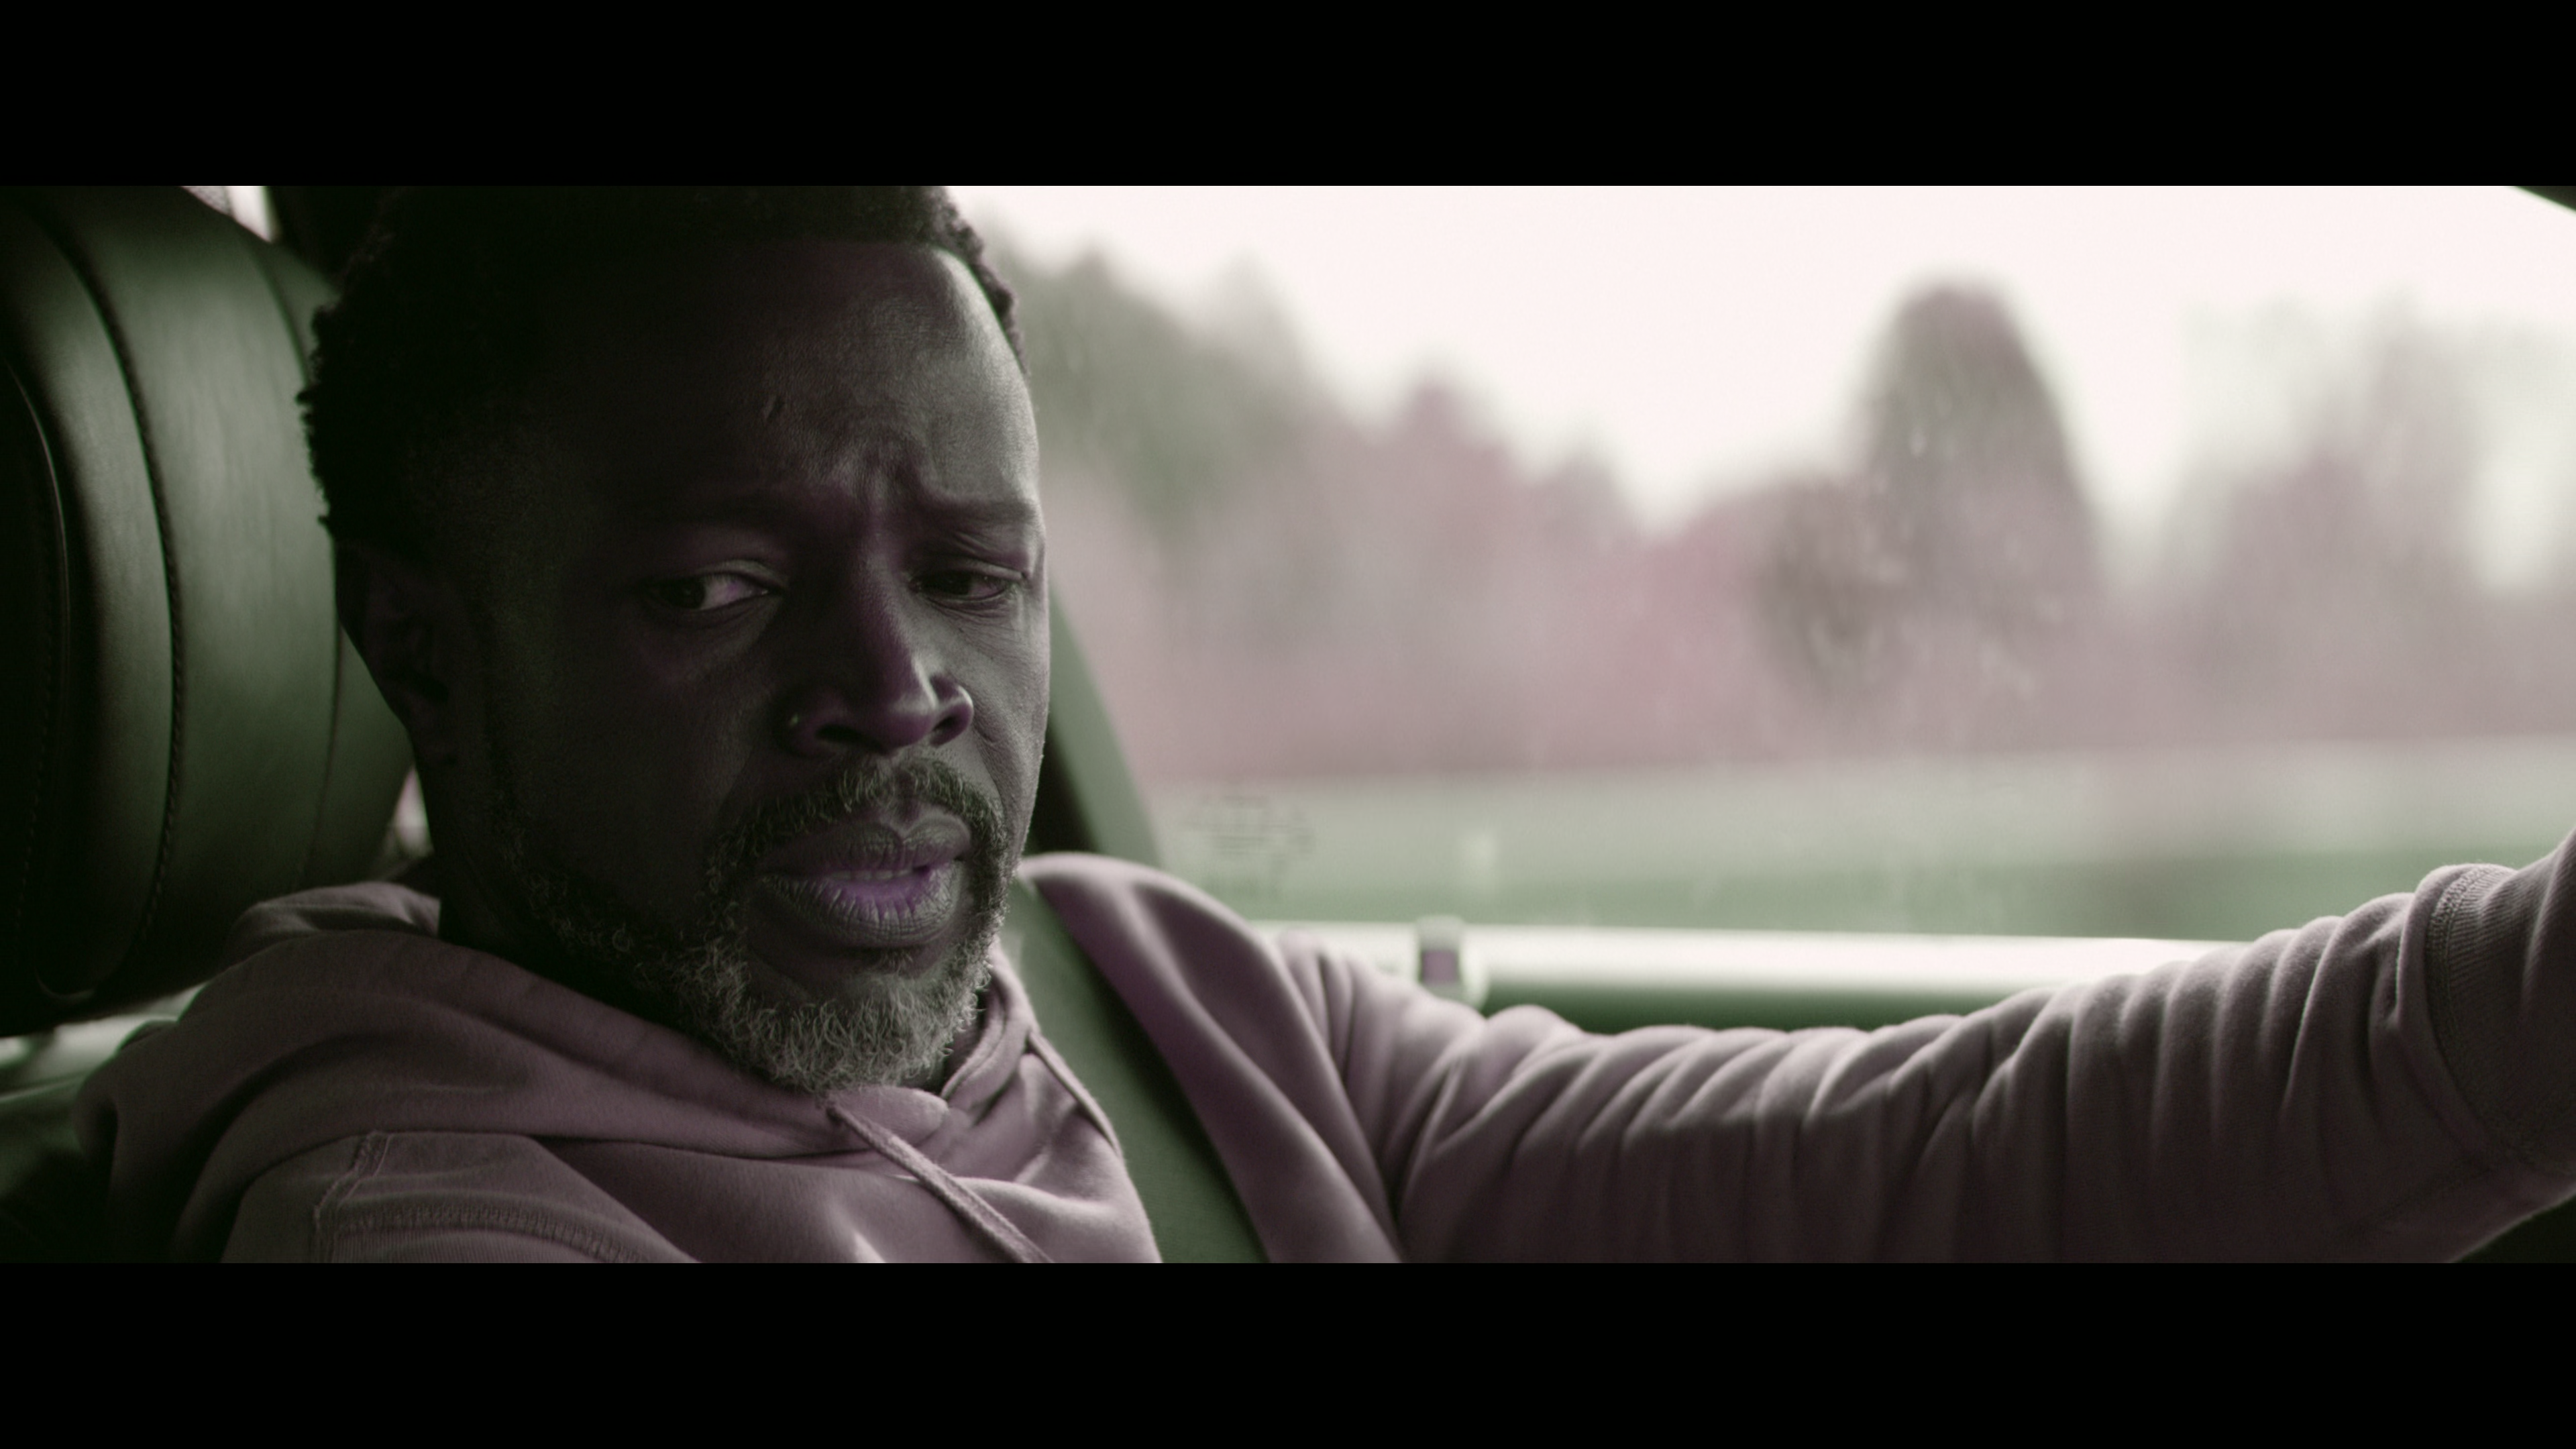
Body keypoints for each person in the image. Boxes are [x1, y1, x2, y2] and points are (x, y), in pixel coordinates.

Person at [75, 187, 2576, 1260]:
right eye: (713, 593)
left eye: (972, 576)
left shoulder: (1148, 996)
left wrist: (2521, 992)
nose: (894, 689)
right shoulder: (411, 1210)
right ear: (426, 649)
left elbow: (1902, 1170)